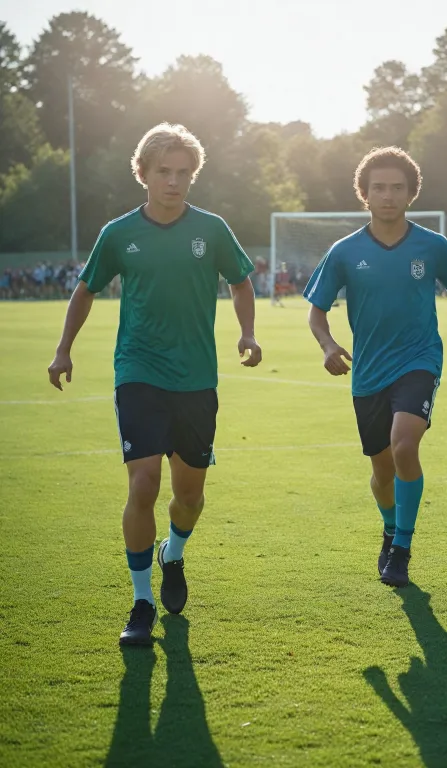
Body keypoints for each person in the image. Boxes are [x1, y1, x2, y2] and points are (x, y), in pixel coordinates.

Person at [47, 123, 262, 646]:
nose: (174, 181)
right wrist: (63, 349)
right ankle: (141, 602)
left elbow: (240, 281)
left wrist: (248, 333)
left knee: (188, 498)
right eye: (163, 172)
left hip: (196, 380)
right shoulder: (118, 234)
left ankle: (174, 553)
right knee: (142, 484)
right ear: (142, 173)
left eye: (183, 173)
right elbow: (86, 290)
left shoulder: (211, 229)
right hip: (138, 372)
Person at [303, 146, 447, 588]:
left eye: (397, 188)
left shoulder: (433, 245)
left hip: (419, 360)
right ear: (364, 193)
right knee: (382, 472)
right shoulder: (345, 251)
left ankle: (401, 547)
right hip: (368, 373)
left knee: (404, 447)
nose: (388, 195)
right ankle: (389, 526)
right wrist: (327, 346)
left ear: (411, 193)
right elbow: (316, 311)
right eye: (379, 187)